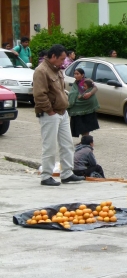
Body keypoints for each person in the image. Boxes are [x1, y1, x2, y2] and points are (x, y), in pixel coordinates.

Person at [33, 44, 84, 186]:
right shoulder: (41, 71)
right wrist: (50, 111)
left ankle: (67, 173)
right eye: (61, 59)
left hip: (62, 112)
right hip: (50, 114)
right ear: (53, 57)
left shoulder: (57, 70)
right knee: (49, 145)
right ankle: (46, 176)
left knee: (67, 144)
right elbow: (39, 94)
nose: (63, 62)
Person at [68, 68, 100, 137]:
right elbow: (74, 93)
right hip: (78, 107)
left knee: (86, 124)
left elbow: (95, 88)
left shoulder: (88, 81)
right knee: (80, 125)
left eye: (77, 74)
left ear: (82, 75)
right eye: (74, 74)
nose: (75, 76)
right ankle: (84, 140)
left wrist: (89, 93)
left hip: (87, 106)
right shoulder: (76, 83)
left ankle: (86, 140)